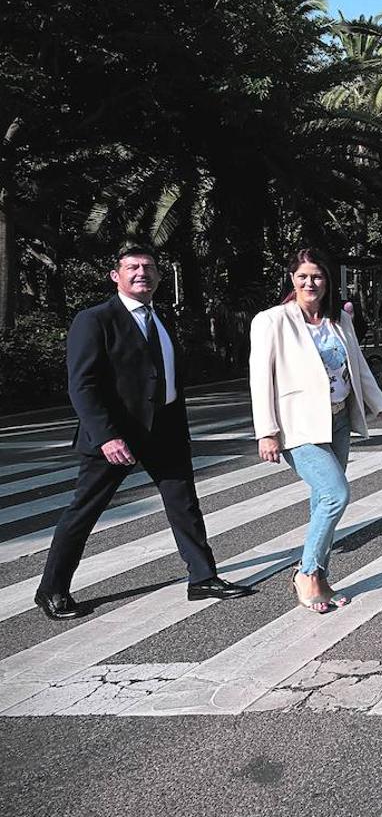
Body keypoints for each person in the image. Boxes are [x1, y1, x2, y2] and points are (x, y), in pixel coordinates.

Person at [35, 243, 253, 621]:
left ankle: (202, 577)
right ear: (115, 275)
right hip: (116, 436)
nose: (142, 273)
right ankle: (52, 590)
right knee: (84, 512)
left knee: (184, 505)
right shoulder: (95, 319)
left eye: (149, 267)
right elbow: (81, 384)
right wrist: (106, 436)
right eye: (133, 267)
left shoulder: (158, 317)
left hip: (164, 430)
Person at [250, 248, 382, 613]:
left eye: (317, 276)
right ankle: (306, 572)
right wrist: (266, 431)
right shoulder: (272, 321)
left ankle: (320, 575)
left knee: (322, 500)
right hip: (297, 425)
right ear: (292, 279)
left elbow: (359, 368)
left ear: (327, 281)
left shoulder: (338, 320)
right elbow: (260, 379)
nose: (310, 283)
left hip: (338, 420)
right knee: (336, 495)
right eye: (302, 276)